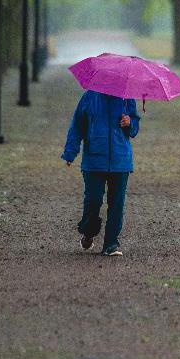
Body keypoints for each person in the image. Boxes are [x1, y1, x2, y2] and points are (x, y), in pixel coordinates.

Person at [61, 90, 141, 256]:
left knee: (117, 204)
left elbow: (134, 130)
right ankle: (88, 233)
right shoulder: (90, 96)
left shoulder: (127, 98)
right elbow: (77, 126)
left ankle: (111, 243)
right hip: (94, 161)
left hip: (121, 161)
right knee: (93, 200)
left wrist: (130, 123)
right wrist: (70, 152)